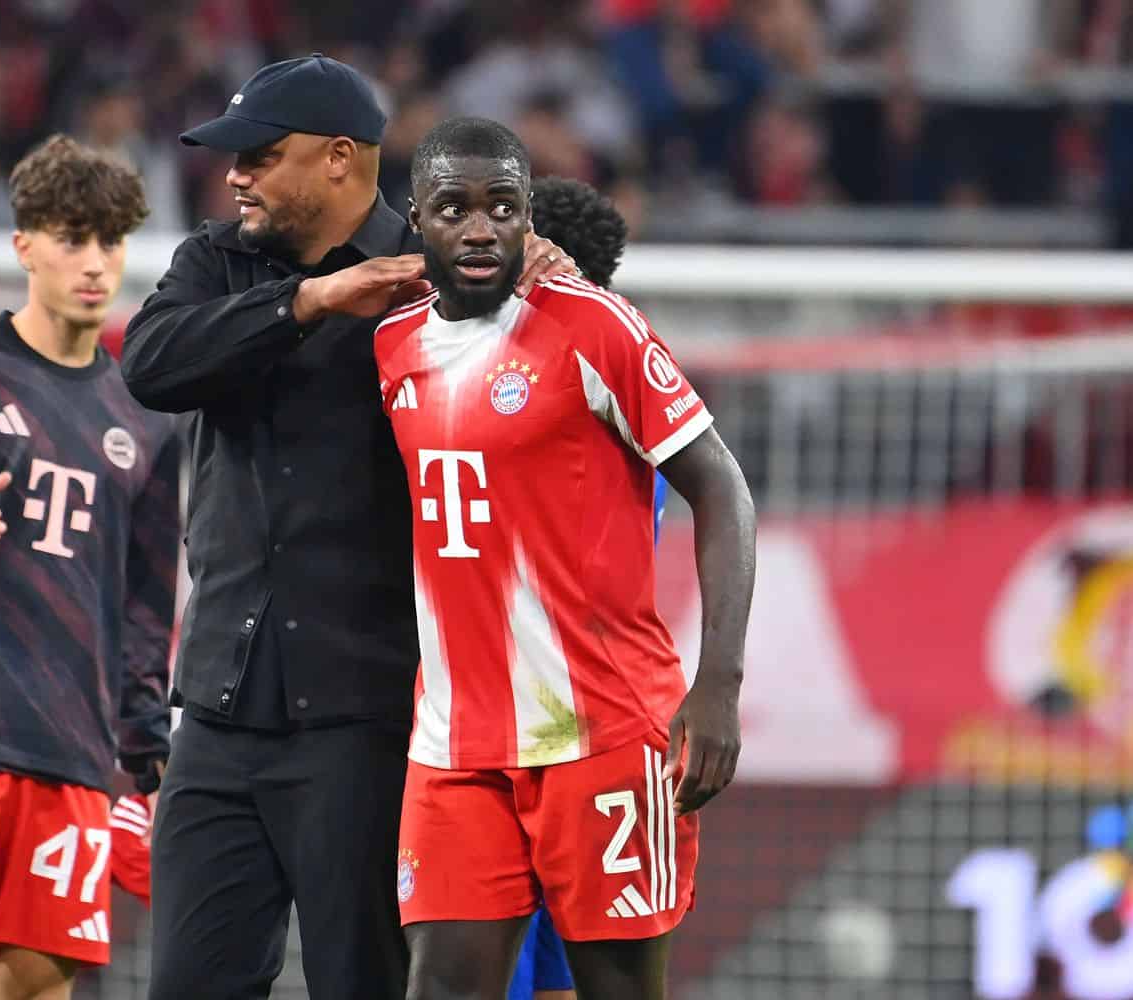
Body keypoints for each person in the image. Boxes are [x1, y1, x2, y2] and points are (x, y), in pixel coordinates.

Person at [121, 54, 578, 1000]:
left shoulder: (441, 276)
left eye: (260, 155)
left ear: (338, 158)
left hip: (366, 717)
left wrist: (548, 279)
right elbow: (151, 364)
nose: (235, 176)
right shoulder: (215, 260)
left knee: (363, 982)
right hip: (218, 710)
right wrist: (309, 301)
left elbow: (546, 396)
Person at [377, 117, 755, 999]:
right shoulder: (392, 344)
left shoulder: (594, 325)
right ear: (417, 218)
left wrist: (720, 682)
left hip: (604, 733)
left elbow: (724, 490)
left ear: (528, 217)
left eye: (503, 207)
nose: (481, 228)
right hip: (455, 742)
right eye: (455, 208)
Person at [0, 134, 178, 1000]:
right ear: (24, 245)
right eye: (72, 239)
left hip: (71, 743)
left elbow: (144, 607)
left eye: (110, 241)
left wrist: (146, 748)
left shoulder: (143, 416)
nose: (94, 263)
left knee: (36, 985)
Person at [505, 175, 663, 1000]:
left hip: (511, 721)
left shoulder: (522, 401)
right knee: (570, 973)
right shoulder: (636, 389)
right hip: (602, 718)